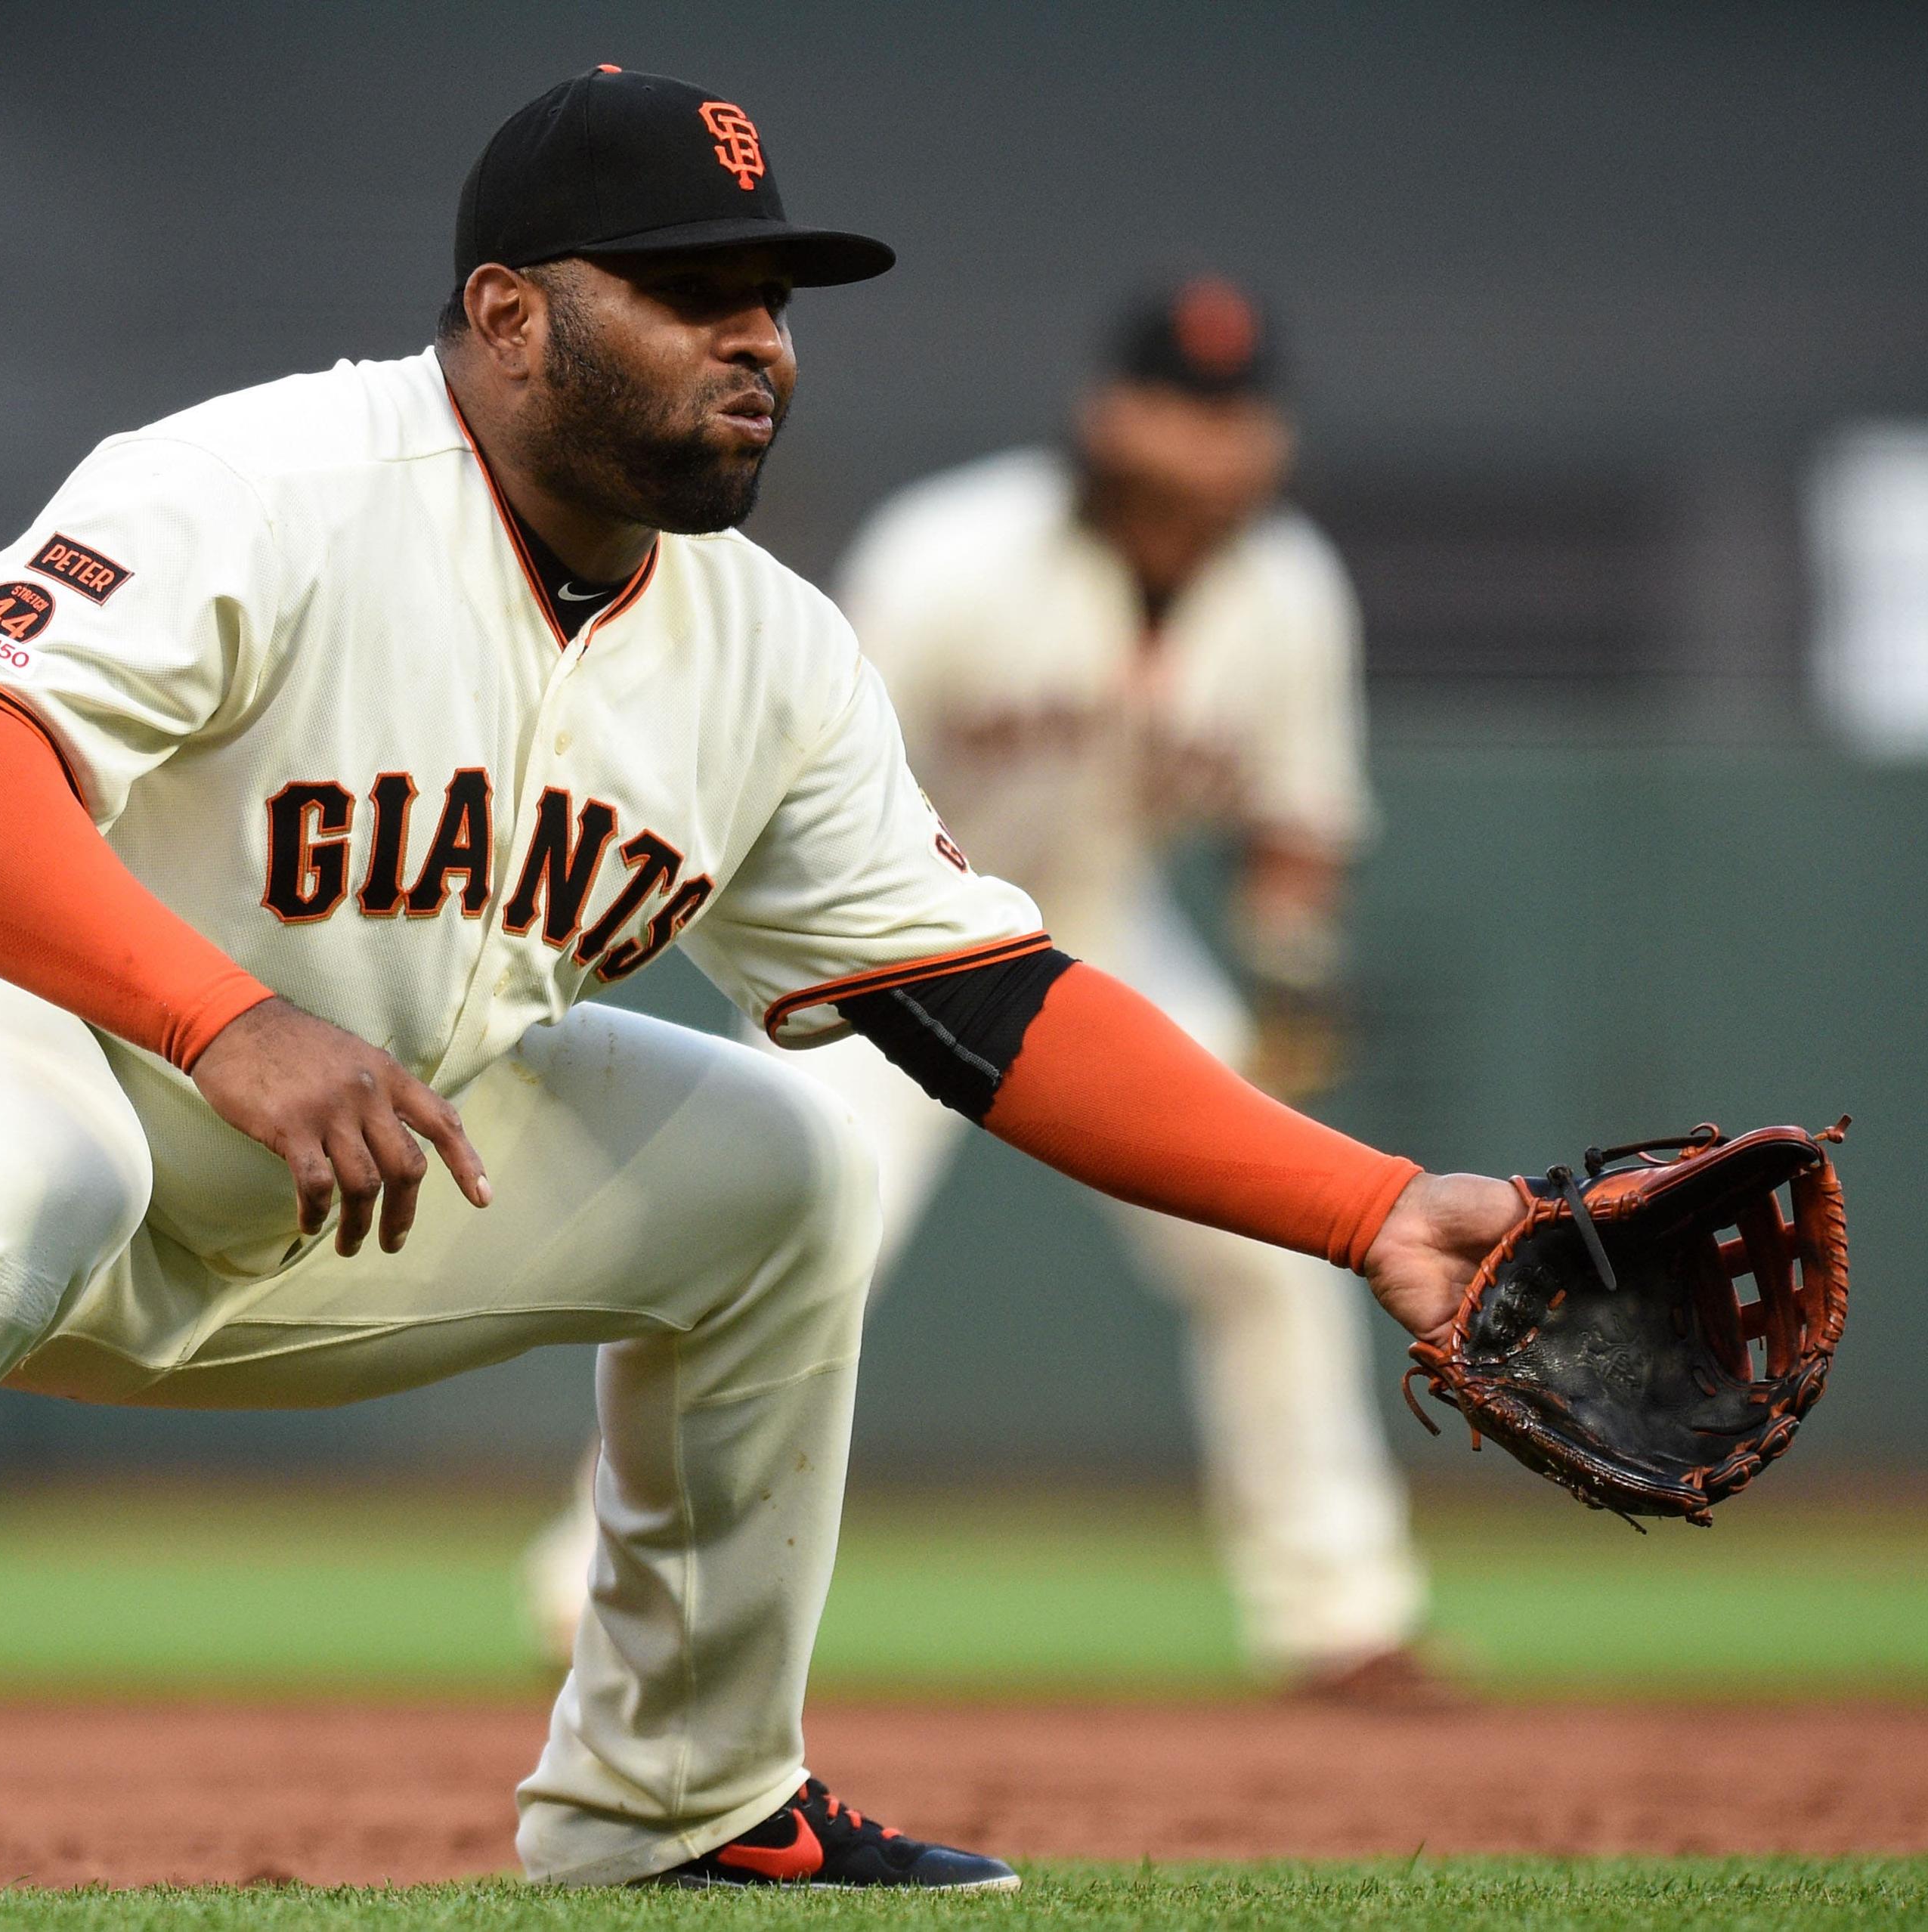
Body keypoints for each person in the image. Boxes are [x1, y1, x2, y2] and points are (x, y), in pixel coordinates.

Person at [0, 71, 1519, 1896]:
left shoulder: (766, 652)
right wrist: (225, 1019)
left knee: (786, 1171)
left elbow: (993, 1002)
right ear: (507, 316)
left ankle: (680, 1802)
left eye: (770, 296)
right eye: (687, 289)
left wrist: (1366, 1207)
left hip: (276, 1175)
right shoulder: (266, 484)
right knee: (8, 1161)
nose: (754, 336)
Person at [521, 277, 1438, 1695]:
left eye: (1239, 415)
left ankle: (1343, 1617)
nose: (1212, 443)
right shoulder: (959, 550)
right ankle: (594, 1596)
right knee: (787, 1228)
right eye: (1183, 407)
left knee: (1278, 1237)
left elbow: (1298, 825)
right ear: (1111, 415)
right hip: (879, 920)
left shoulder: (1291, 589)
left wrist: (1288, 971)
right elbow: (802, 760)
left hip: (1097, 919)